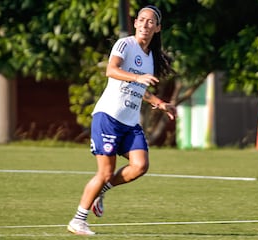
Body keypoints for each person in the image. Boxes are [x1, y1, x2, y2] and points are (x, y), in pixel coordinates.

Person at [67, 5, 177, 235]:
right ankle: (78, 220)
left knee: (140, 166)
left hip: (129, 122)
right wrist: (138, 77)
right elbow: (112, 70)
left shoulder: (150, 57)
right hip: (108, 116)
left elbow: (140, 89)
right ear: (135, 23)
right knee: (105, 172)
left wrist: (159, 103)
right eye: (142, 20)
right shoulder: (125, 44)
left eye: (151, 22)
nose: (146, 25)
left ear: (157, 28)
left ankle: (102, 191)